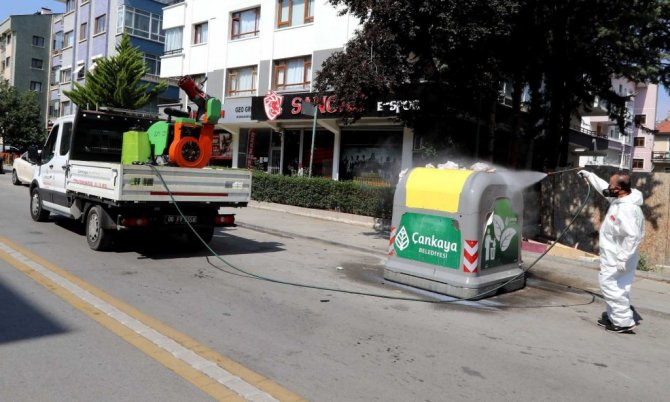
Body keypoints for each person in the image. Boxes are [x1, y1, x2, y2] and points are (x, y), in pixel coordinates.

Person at [578, 169, 645, 333]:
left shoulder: (627, 209)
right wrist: (590, 176)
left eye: (611, 185)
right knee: (619, 286)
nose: (608, 187)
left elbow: (633, 236)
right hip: (616, 253)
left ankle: (623, 322)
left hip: (619, 256)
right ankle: (614, 316)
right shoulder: (622, 199)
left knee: (610, 285)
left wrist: (622, 258)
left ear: (619, 188)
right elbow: (603, 189)